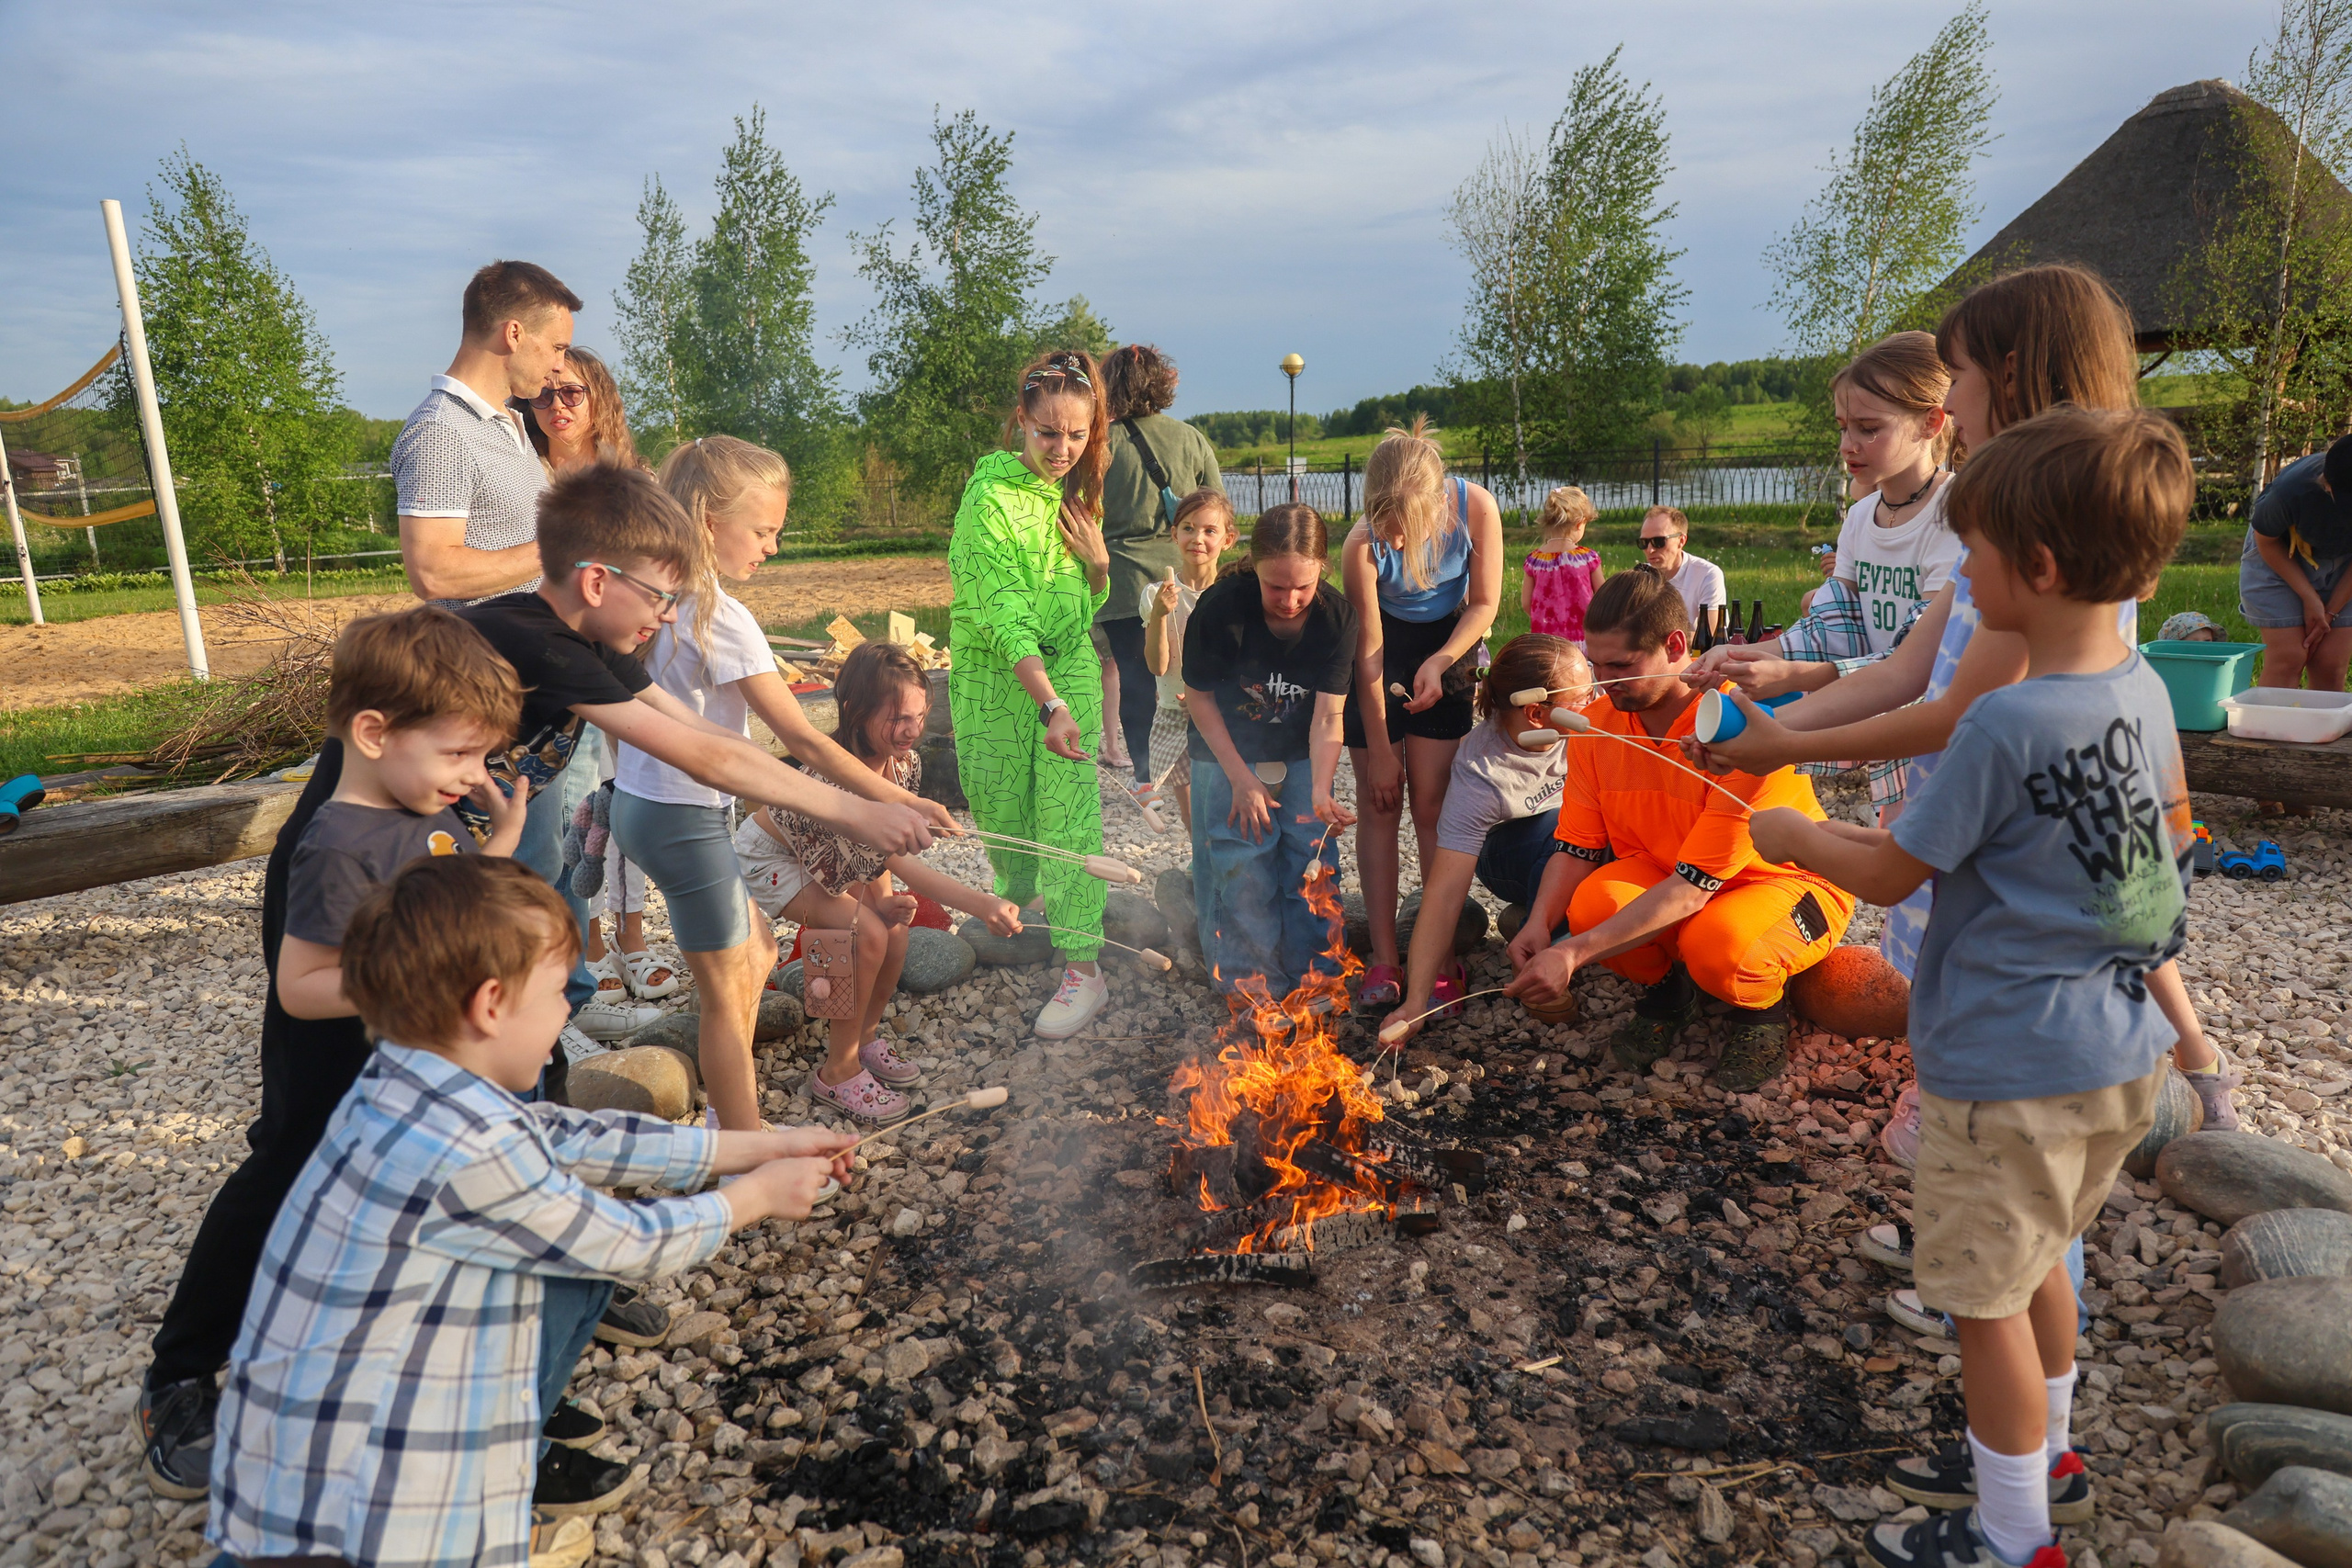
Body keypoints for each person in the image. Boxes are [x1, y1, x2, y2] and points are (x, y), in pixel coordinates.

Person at [1749, 407, 2196, 1568]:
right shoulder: (2143, 691)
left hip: (2006, 1070)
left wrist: (1791, 831)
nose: (1964, 572)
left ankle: (2010, 1540)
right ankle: (2047, 1456)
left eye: (1977, 553)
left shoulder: (2003, 722)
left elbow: (1892, 867)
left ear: (2035, 570)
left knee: (1982, 1302)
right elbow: (2169, 863)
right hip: (2117, 1055)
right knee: (2041, 1255)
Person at [1690, 265, 2237, 1134]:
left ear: (2011, 375)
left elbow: (1948, 720)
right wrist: (1780, 721)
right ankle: (2123, 1089)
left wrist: (1785, 761)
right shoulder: (2025, 521)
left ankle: (1975, 1118)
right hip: (2021, 841)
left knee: (1997, 1019)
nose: (1955, 400)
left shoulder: (2029, 541)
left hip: (2003, 840)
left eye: (1963, 378)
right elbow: (1911, 665)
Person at [205, 854, 855, 1568]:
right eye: (555, 994)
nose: (567, 1010)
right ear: (489, 1004)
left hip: (289, 1479)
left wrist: (758, 1146)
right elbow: (626, 1241)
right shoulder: (463, 1146)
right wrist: (756, 1197)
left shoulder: (406, 1081)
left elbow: (572, 1135)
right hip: (349, 1521)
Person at [136, 607, 535, 1500]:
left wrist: (497, 850)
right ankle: (182, 1375)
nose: (474, 778)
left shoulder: (425, 808)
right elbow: (302, 987)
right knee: (279, 1183)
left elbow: (452, 902)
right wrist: (434, 978)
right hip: (330, 1076)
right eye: (460, 755)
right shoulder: (338, 844)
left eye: (482, 760)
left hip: (409, 1080)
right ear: (372, 732)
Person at [614, 435, 959, 1130]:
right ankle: (742, 1132)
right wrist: (902, 801)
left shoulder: (655, 597)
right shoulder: (722, 616)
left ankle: (797, 1081)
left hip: (648, 806)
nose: (772, 545)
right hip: (687, 815)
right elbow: (803, 738)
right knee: (731, 981)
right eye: (764, 529)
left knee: (760, 953)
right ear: (710, 520)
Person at [1501, 568, 1854, 1092]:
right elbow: (1575, 849)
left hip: (1779, 884)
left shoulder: (1744, 725)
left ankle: (1760, 1016)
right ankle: (1671, 996)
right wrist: (1540, 923)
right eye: (1596, 663)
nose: (1604, 681)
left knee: (1722, 944)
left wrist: (1572, 952)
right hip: (1672, 876)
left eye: (1621, 665)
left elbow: (1692, 890)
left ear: (1675, 645)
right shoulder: (1597, 725)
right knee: (1590, 904)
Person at [738, 642, 1026, 1120]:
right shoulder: (836, 779)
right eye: (897, 719)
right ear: (855, 710)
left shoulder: (903, 763)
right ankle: (837, 1071)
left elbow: (871, 859)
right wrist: (981, 904)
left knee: (893, 933)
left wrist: (880, 899)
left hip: (824, 857)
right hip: (772, 859)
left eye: (919, 715)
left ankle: (863, 1038)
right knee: (865, 932)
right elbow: (894, 856)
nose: (912, 731)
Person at [1697, 331, 1962, 821]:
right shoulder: (1861, 518)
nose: (1848, 445)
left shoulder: (1957, 515)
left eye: (1868, 428)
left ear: (1931, 422)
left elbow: (1917, 663)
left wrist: (1786, 684)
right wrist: (1740, 655)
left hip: (1945, 741)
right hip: (1891, 737)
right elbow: (1832, 627)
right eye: (1843, 428)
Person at [948, 348, 1120, 1040]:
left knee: (1068, 813)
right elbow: (1002, 614)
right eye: (1049, 432)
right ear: (1022, 421)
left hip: (1067, 668)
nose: (1062, 448)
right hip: (998, 677)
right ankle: (1018, 900)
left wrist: (1101, 567)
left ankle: (1085, 964)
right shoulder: (987, 500)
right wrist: (1044, 702)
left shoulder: (1077, 495)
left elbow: (1079, 606)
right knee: (999, 799)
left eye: (1076, 435)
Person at [1340, 418, 1504, 1009]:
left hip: (1449, 640)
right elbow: (1368, 656)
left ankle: (1438, 956)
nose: (1397, 543)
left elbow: (1485, 603)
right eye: (1387, 530)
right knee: (1380, 803)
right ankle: (1384, 958)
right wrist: (1382, 752)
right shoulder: (1361, 544)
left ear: (1439, 503)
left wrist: (1442, 661)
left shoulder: (1476, 508)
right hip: (1382, 657)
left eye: (1405, 530)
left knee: (1433, 806)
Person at [1182, 503, 1360, 996]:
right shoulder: (1221, 608)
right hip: (1224, 750)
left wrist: (1322, 790)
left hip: (1302, 751)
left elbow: (1328, 716)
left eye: (1303, 586)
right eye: (1275, 586)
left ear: (1321, 569)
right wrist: (1241, 779)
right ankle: (1249, 983)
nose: (1289, 599)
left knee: (1312, 857)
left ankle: (1316, 979)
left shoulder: (1337, 618)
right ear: (1254, 567)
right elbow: (1198, 698)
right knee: (1242, 863)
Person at [1383, 634, 1592, 1045]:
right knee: (1564, 829)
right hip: (1511, 857)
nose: (1596, 704)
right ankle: (1541, 959)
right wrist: (1415, 1002)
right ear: (1535, 712)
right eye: (1584, 698)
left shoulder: (1591, 724)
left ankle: (1533, 922)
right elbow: (1444, 893)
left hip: (1579, 843)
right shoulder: (1481, 773)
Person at [393, 260, 580, 606]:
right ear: (514, 334)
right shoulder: (440, 431)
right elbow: (433, 573)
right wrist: (564, 545)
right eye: (558, 347)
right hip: (483, 658)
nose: (560, 364)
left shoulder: (508, 421)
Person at [1096, 344, 1228, 807]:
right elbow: (1217, 505)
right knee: (1192, 675)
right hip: (1186, 575)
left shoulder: (1101, 444)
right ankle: (1207, 763)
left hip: (1121, 577)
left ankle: (1147, 777)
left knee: (1137, 677)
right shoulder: (1191, 438)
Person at [1141, 488, 1238, 829]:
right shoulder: (1156, 594)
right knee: (1192, 813)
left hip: (1222, 712)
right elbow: (1157, 665)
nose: (1198, 538)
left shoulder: (1234, 593)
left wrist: (1209, 697)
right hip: (1174, 713)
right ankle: (1203, 871)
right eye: (1188, 528)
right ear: (1174, 533)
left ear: (1228, 539)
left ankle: (1226, 868)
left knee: (1227, 799)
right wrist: (1159, 615)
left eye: (1210, 531)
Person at [2239, 431, 2352, 693]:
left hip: (2345, 565)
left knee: (2330, 662)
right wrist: (2309, 597)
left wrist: (2330, 611)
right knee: (2289, 657)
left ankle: (2321, 732)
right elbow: (2266, 541)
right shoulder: (2291, 492)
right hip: (2280, 554)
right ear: (2328, 485)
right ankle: (2269, 731)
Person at [518, 344, 642, 473]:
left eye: (571, 392)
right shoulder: (519, 477)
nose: (556, 405)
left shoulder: (638, 482)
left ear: (599, 399)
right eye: (542, 395)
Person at [1522, 487, 1605, 647]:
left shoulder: (1534, 561)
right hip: (1582, 637)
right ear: (1580, 523)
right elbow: (1603, 597)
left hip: (1545, 641)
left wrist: (1544, 619)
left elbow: (1526, 602)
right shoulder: (1588, 558)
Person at [1636, 505, 1726, 639]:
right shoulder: (1641, 575)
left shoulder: (1707, 574)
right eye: (1643, 543)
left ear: (1681, 541)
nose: (1650, 550)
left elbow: (1712, 635)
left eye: (1658, 541)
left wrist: (1654, 638)